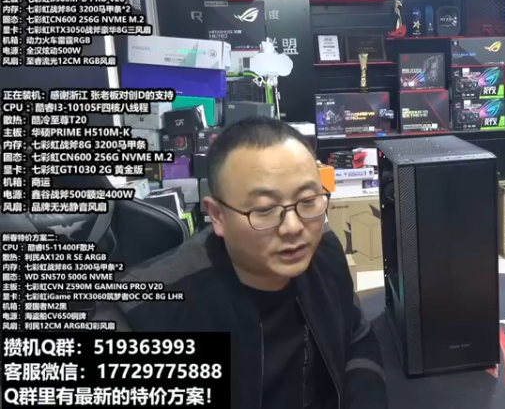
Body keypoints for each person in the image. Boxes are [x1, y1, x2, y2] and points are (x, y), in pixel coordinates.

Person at [95, 117, 388, 409]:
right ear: (218, 215)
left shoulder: (323, 250)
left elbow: (357, 338)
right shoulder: (139, 311)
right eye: (265, 209)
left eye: (308, 200)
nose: (294, 227)